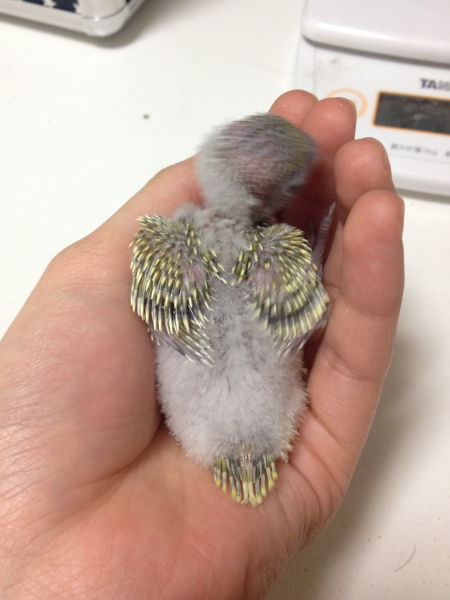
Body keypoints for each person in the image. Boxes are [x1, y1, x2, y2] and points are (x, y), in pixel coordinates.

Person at [0, 90, 404, 599]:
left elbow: (178, 326)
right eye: (293, 184)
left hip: (199, 421)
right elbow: (300, 322)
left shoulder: (163, 245)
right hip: (269, 419)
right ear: (272, 193)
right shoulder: (282, 251)